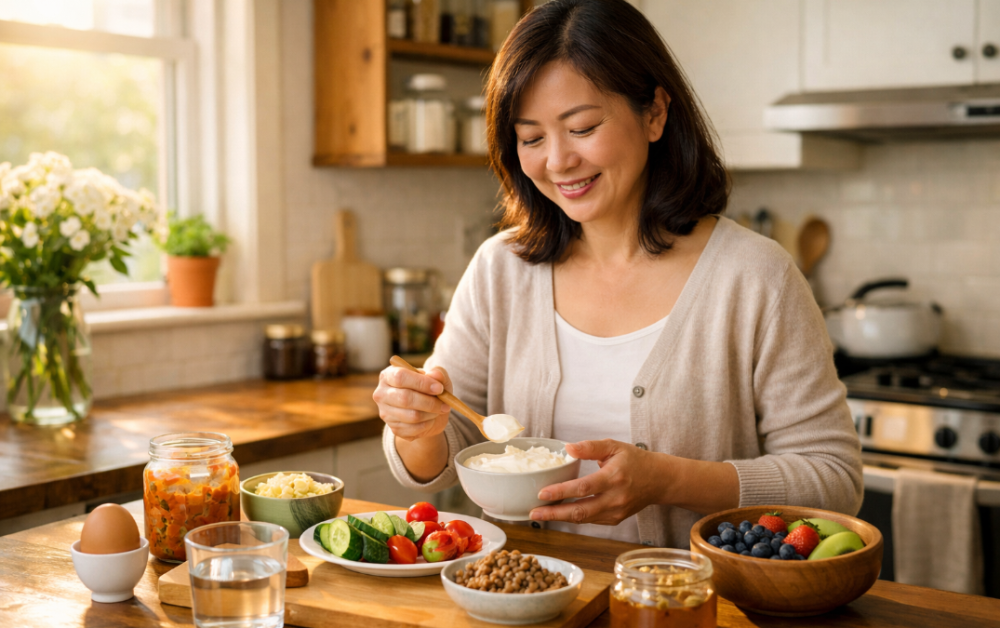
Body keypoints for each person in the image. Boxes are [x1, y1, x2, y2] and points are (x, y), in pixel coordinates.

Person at [373, 0, 862, 548]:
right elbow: (438, 456)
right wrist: (415, 426)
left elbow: (834, 480)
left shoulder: (754, 277)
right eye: (531, 138)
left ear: (654, 113)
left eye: (581, 127)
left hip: (692, 604)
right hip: (525, 601)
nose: (557, 161)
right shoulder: (500, 269)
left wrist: (667, 479)